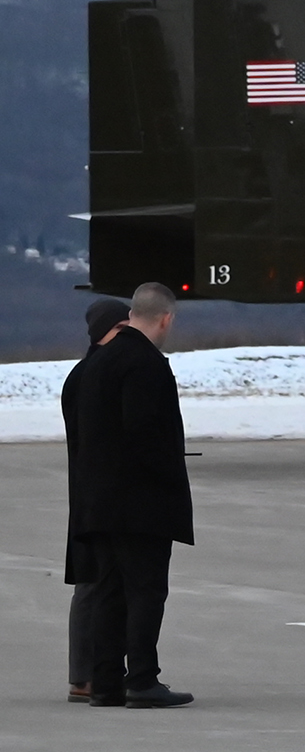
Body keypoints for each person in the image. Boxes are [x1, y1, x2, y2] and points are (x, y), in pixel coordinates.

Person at [71, 282, 195, 708]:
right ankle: (141, 677)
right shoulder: (145, 363)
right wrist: (167, 476)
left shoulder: (96, 364)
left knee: (108, 591)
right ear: (166, 318)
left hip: (98, 501)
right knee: (145, 591)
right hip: (141, 503)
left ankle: (105, 682)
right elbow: (144, 433)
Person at [59, 298, 130, 701]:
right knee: (90, 581)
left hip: (94, 488)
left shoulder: (93, 371)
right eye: (121, 328)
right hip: (92, 491)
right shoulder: (90, 375)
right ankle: (84, 676)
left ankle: (91, 672)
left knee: (97, 581)